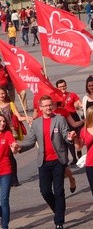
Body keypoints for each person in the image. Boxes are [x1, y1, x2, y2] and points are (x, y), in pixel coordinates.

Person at [17, 95, 75, 229]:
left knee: (59, 191)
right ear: (40, 107)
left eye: (50, 105)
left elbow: (66, 135)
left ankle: (59, 222)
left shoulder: (59, 119)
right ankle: (58, 211)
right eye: (45, 105)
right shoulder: (36, 123)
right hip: (43, 162)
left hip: (58, 161)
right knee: (45, 191)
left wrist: (70, 137)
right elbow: (31, 142)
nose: (48, 107)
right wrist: (21, 147)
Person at [0, 114, 17, 229]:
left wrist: (14, 147)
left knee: (4, 199)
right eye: (0, 121)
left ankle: (5, 225)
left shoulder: (8, 134)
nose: (2, 123)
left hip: (5, 170)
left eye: (4, 121)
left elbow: (13, 149)